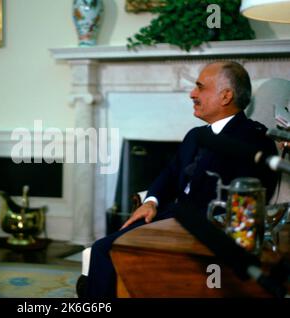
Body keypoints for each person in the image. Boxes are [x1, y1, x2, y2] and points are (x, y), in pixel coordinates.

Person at [85, 61, 278, 297]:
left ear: (226, 96)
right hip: (169, 217)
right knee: (102, 249)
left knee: (105, 251)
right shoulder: (196, 135)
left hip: (207, 230)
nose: (192, 94)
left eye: (200, 88)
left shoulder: (254, 141)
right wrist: (151, 201)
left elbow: (248, 202)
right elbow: (169, 173)